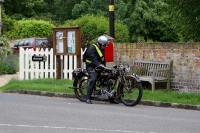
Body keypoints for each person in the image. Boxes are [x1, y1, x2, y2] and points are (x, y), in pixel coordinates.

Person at [84, 35, 119, 104]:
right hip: (91, 66)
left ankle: (111, 98)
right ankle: (88, 98)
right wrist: (101, 66)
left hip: (99, 66)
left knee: (108, 79)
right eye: (104, 46)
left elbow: (103, 59)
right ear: (99, 44)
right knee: (93, 79)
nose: (105, 47)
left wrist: (105, 68)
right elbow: (93, 60)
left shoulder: (101, 48)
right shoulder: (92, 48)